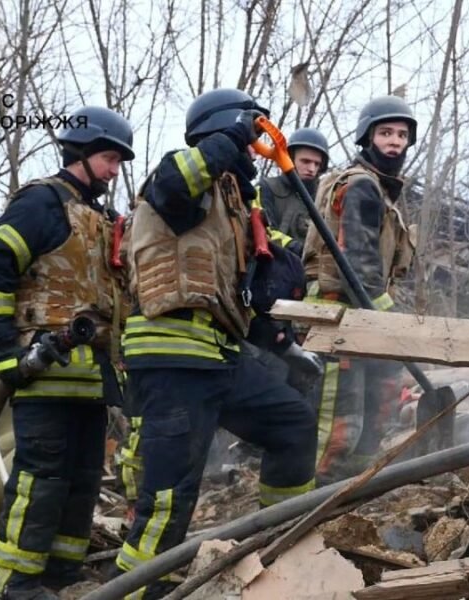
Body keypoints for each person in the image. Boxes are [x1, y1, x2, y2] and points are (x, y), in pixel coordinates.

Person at [114, 88, 321, 599]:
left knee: (292, 425)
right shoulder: (180, 182)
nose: (257, 150)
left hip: (219, 357)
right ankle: (136, 591)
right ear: (229, 128)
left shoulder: (233, 207)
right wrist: (238, 134)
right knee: (168, 499)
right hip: (172, 357)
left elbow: (231, 300)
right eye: (253, 134)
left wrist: (285, 346)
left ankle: (279, 541)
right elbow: (173, 185)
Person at [0, 106, 135, 599]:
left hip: (91, 376)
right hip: (42, 370)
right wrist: (4, 351)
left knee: (83, 479)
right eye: (108, 158)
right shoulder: (39, 204)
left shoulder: (104, 219)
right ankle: (12, 581)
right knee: (41, 478)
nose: (114, 170)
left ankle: (61, 574)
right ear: (80, 153)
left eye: (118, 162)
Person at [302, 95, 418, 484]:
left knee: (379, 404)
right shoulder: (361, 187)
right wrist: (392, 322)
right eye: (385, 133)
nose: (395, 142)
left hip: (363, 312)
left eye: (402, 135)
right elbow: (359, 261)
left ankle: (349, 493)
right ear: (367, 138)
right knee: (340, 422)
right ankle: (306, 504)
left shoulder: (378, 191)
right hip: (340, 315)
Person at [258, 127, 330, 253]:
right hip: (272, 265)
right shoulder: (267, 187)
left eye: (317, 164)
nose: (312, 169)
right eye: (305, 161)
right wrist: (296, 248)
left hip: (312, 269)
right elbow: (263, 231)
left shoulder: (325, 196)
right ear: (290, 159)